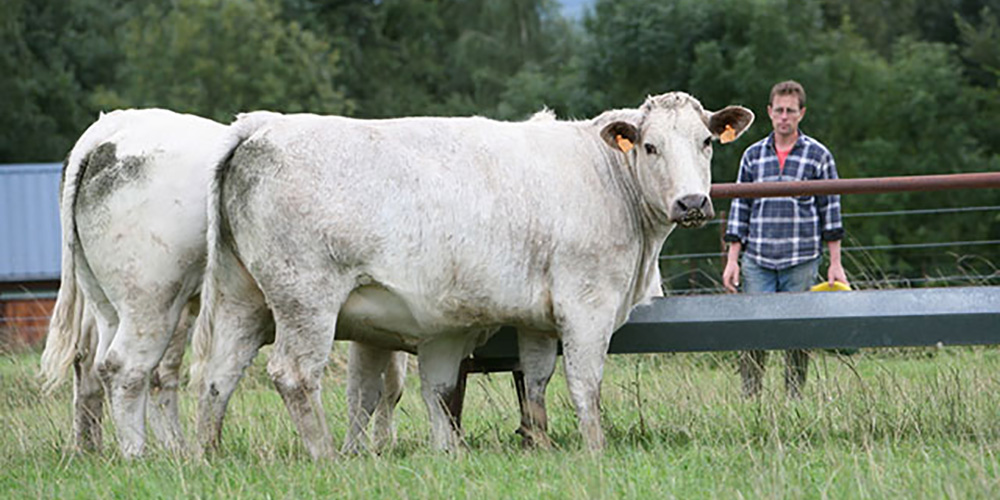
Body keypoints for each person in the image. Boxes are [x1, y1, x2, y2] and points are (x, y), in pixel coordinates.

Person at [721, 80, 849, 399]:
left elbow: (831, 211)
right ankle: (751, 398)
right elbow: (740, 208)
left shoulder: (819, 156)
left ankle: (794, 398)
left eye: (790, 111)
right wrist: (732, 260)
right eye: (778, 110)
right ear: (769, 112)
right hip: (758, 257)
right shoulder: (752, 156)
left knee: (799, 332)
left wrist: (835, 263)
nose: (783, 117)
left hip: (801, 256)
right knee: (754, 331)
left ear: (801, 114)